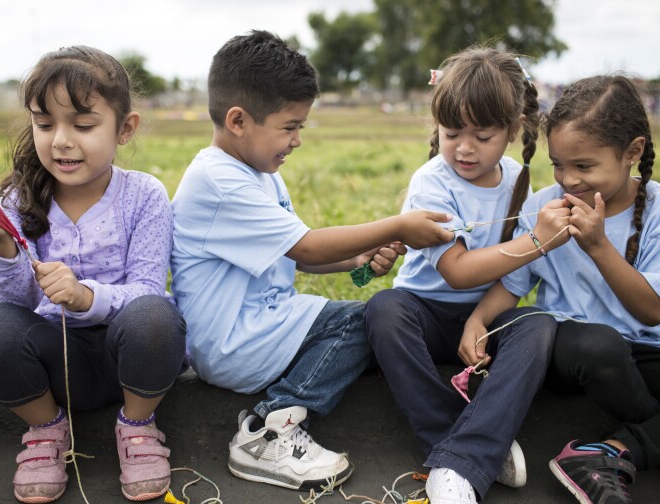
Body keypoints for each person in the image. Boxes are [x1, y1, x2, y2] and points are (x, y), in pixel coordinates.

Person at [169, 30, 454, 492]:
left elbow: (296, 257)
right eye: (289, 126)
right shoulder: (219, 180)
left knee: (362, 324)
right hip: (234, 343)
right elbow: (307, 246)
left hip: (259, 328)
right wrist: (397, 226)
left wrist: (357, 259)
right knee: (361, 323)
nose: (298, 140)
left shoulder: (258, 173)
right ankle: (269, 430)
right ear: (238, 120)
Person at [364, 46, 572, 504]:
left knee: (538, 325)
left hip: (488, 318)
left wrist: (481, 319)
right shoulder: (432, 181)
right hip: (426, 314)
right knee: (383, 309)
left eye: (482, 135)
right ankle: (464, 451)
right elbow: (457, 271)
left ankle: (467, 448)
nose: (464, 147)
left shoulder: (519, 182)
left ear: (514, 130)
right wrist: (537, 239)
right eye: (452, 132)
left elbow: (517, 277)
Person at [0, 46, 186, 503]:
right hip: (54, 363)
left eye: (82, 125)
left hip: (129, 359)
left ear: (125, 128)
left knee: (155, 316)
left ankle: (137, 428)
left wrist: (85, 296)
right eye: (44, 124)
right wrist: (1, 249)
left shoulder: (144, 196)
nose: (60, 140)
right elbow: (17, 306)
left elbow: (146, 289)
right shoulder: (18, 199)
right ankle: (46, 430)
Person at [465, 74, 659, 504]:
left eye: (583, 166)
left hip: (643, 351)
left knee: (618, 346)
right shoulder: (543, 207)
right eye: (558, 164)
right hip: (570, 350)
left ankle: (607, 453)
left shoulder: (658, 211)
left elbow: (652, 311)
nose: (568, 180)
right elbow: (513, 284)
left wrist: (598, 246)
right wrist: (478, 320)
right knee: (600, 345)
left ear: (633, 152)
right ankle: (648, 427)